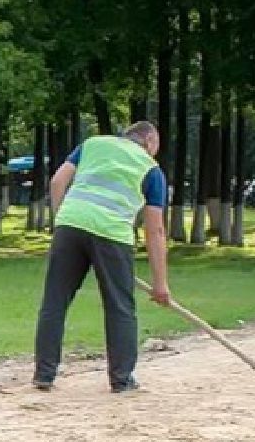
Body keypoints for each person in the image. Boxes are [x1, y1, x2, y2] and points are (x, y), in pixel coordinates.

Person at [33, 121, 171, 393]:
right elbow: (154, 230)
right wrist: (160, 283)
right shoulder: (151, 169)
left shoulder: (93, 145)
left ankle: (44, 374)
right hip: (112, 236)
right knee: (120, 307)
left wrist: (63, 219)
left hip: (70, 226)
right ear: (150, 143)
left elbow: (58, 181)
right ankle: (121, 379)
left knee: (54, 302)